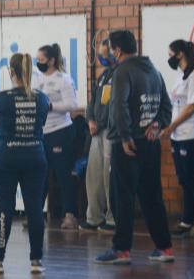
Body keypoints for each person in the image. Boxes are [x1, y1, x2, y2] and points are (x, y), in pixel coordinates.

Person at [96, 30, 174, 265]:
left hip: (127, 144)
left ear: (117, 50)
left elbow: (119, 106)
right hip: (151, 144)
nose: (109, 53)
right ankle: (165, 248)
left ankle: (121, 250)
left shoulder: (122, 72)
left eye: (110, 49)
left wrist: (125, 136)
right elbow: (166, 107)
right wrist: (158, 124)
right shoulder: (154, 71)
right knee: (152, 197)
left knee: (122, 198)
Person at [0, 53, 49, 275]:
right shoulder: (42, 98)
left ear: (11, 72)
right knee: (35, 209)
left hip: (7, 159)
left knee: (5, 208)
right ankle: (36, 261)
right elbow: (42, 120)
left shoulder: (2, 97)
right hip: (35, 157)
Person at [162, 40, 194, 239]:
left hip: (193, 135)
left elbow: (191, 107)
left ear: (180, 54)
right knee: (184, 180)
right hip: (178, 136)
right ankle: (186, 220)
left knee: (193, 180)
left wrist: (171, 126)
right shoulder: (181, 77)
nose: (169, 58)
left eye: (171, 53)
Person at [33, 44, 79, 230]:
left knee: (63, 175)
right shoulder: (35, 79)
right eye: (37, 60)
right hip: (41, 133)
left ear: (51, 61)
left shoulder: (64, 79)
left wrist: (49, 106)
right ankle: (36, 214)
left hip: (61, 131)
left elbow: (72, 105)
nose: (38, 63)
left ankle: (70, 216)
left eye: (41, 60)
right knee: (40, 175)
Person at [80, 39, 117, 234]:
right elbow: (92, 101)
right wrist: (90, 120)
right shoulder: (103, 76)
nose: (103, 59)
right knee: (93, 175)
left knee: (109, 177)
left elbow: (115, 106)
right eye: (101, 56)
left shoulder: (121, 74)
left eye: (105, 55)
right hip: (97, 132)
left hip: (111, 132)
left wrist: (100, 123)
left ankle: (112, 218)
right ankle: (94, 216)